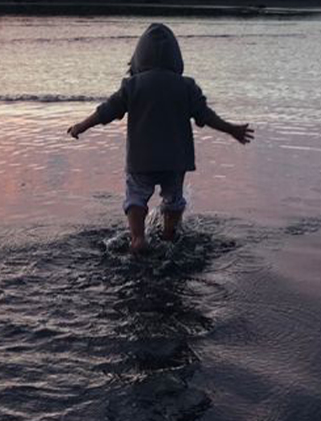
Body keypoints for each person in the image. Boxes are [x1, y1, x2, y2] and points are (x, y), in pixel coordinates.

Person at [67, 23, 253, 254]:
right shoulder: (186, 86)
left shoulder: (132, 85)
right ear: (177, 58)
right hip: (175, 160)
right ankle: (168, 235)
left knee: (136, 196)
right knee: (174, 198)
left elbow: (106, 111)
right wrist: (231, 129)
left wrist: (80, 126)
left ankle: (137, 238)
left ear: (137, 58)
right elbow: (205, 116)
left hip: (141, 159)